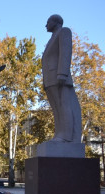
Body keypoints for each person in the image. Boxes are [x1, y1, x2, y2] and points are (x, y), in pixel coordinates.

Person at [42, 14, 82, 143]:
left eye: (48, 22)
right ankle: (59, 134)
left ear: (55, 21)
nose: (46, 25)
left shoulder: (64, 31)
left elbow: (65, 52)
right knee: (56, 108)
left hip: (59, 76)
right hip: (50, 78)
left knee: (64, 105)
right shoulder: (52, 37)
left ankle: (66, 136)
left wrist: (62, 74)